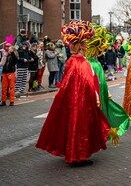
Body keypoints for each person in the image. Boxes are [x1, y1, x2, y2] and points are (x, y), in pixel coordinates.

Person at [36, 21, 110, 167]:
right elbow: (88, 84)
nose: (87, 45)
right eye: (85, 42)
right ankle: (78, 155)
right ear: (81, 44)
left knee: (72, 125)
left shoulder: (72, 61)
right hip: (82, 103)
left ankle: (74, 153)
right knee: (80, 127)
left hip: (72, 102)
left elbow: (68, 84)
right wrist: (94, 98)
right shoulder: (81, 63)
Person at [86, 25, 130, 143]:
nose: (102, 50)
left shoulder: (94, 63)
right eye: (100, 48)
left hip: (100, 93)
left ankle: (99, 132)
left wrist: (105, 91)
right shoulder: (92, 64)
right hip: (95, 95)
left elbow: (101, 82)